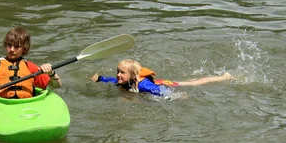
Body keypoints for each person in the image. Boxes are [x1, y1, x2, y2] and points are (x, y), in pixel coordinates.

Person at [0, 27, 62, 98]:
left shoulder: (29, 66)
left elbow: (57, 85)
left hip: (27, 104)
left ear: (24, 49)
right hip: (0, 104)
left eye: (17, 46)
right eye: (9, 45)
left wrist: (51, 73)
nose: (11, 49)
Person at [92, 59, 231, 97]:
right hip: (159, 83)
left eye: (122, 73)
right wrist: (99, 78)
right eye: (118, 71)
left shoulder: (144, 86)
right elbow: (108, 79)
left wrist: (177, 96)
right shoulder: (119, 81)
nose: (118, 75)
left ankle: (223, 77)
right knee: (189, 81)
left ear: (133, 76)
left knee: (193, 83)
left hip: (165, 84)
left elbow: (161, 92)